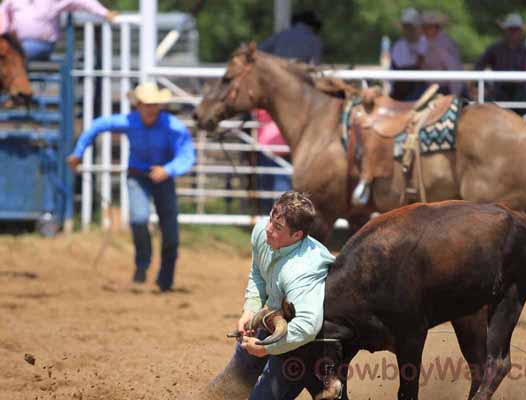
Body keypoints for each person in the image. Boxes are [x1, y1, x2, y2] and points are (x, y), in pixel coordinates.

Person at [66, 82, 196, 292]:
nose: (150, 108)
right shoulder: (129, 121)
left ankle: (165, 278)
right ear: (137, 105)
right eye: (146, 104)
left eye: (154, 104)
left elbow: (187, 154)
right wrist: (78, 153)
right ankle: (142, 264)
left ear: (159, 105)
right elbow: (98, 125)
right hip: (137, 175)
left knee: (170, 232)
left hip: (163, 177)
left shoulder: (173, 126)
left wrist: (168, 170)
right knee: (138, 218)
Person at [209, 191, 335, 399]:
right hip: (278, 324)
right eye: (270, 220)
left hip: (310, 343)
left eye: (277, 227)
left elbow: (307, 326)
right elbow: (258, 273)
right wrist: (250, 310)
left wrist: (267, 348)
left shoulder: (302, 268)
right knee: (231, 383)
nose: (268, 229)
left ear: (297, 235)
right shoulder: (262, 232)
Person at [254, 10, 323, 214]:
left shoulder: (279, 38)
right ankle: (287, 214)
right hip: (300, 113)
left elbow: (256, 55)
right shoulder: (313, 41)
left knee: (271, 165)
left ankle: (272, 212)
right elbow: (315, 71)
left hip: (271, 118)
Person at [0, 0, 117, 62]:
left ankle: (18, 93)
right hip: (15, 43)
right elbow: (3, 14)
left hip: (41, 44)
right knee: (9, 54)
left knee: (12, 56)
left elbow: (82, 1)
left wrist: (104, 12)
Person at [474, 13, 526, 102]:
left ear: (520, 31)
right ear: (506, 30)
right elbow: (478, 66)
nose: (513, 32)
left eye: (516, 29)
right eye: (511, 29)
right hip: (498, 91)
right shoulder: (495, 48)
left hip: (521, 92)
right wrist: (485, 87)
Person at [420, 10, 465, 96]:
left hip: (445, 88)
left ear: (436, 27)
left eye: (428, 27)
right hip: (432, 87)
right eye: (424, 26)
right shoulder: (425, 42)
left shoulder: (444, 44)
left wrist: (454, 95)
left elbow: (453, 69)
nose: (424, 30)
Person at [389, 7, 428, 100]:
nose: (409, 30)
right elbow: (395, 68)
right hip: (400, 87)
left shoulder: (426, 43)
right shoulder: (399, 45)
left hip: (420, 86)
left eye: (411, 27)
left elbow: (423, 64)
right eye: (406, 27)